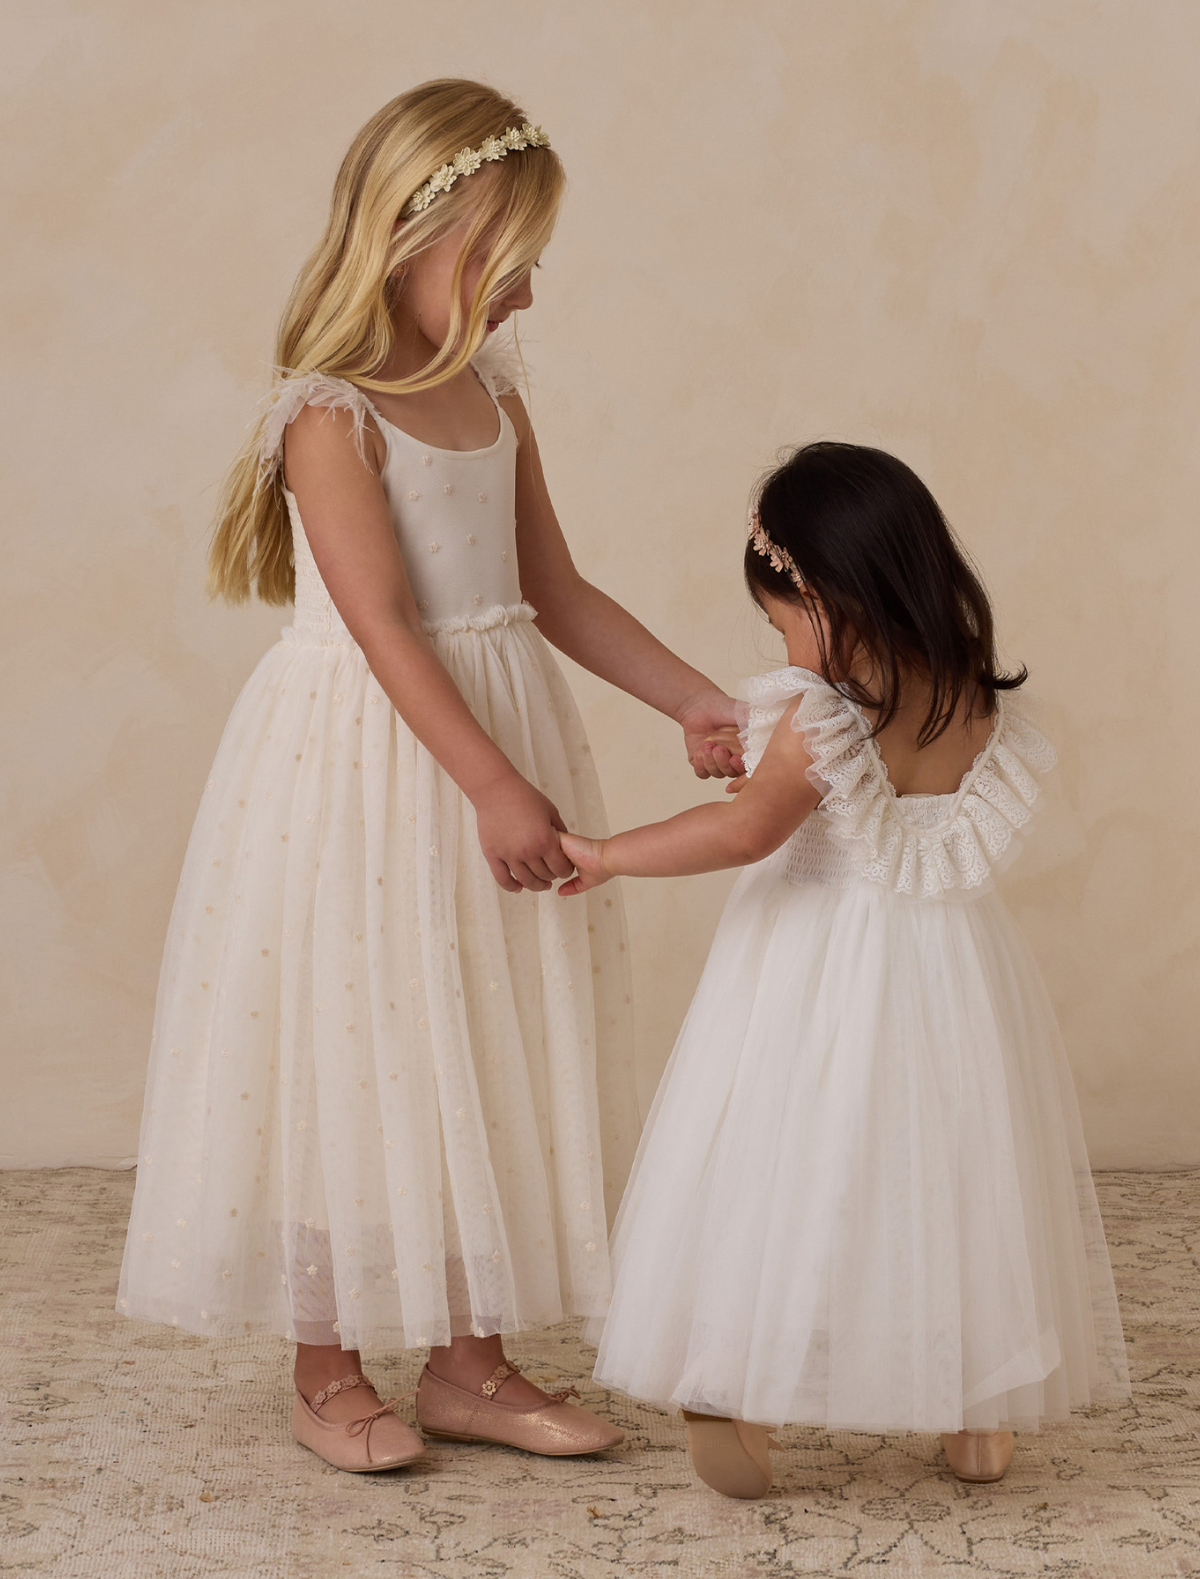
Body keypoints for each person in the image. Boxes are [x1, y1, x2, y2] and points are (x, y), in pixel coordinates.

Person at [117, 79, 744, 1473]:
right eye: (503, 252)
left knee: (487, 1025)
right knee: (360, 1033)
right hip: (378, 759)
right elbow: (383, 624)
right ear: (411, 235)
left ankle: (471, 1361)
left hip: (495, 732)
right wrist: (491, 786)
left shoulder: (493, 394)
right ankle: (327, 1363)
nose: (526, 285)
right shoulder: (329, 414)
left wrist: (693, 698)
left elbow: (556, 589)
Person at [560, 442, 1130, 1498]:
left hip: (814, 972)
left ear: (824, 594)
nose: (781, 645)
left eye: (782, 622)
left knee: (785, 1166)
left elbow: (745, 836)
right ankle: (974, 1402)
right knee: (950, 1173)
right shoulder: (971, 696)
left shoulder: (820, 710)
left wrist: (607, 853)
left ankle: (739, 1386)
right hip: (953, 972)